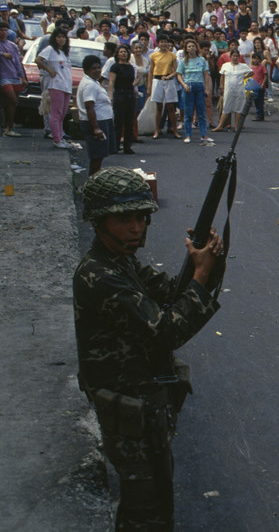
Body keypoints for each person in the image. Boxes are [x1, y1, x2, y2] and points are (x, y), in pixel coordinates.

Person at [74, 166, 223, 530]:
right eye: (124, 219)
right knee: (146, 512)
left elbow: (171, 291)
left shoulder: (120, 262)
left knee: (157, 498)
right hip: (130, 411)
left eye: (141, 217)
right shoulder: (99, 275)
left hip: (142, 404)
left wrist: (207, 262)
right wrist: (201, 275)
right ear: (99, 221)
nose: (136, 228)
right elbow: (165, 331)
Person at [36, 28, 75, 149]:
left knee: (62, 114)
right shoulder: (50, 49)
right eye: (59, 37)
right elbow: (38, 60)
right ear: (54, 38)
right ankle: (57, 140)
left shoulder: (63, 52)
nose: (61, 39)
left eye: (63, 37)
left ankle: (60, 136)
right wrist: (49, 70)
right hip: (56, 85)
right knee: (56, 113)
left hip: (66, 86)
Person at [76, 55, 115, 174]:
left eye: (99, 67)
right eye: (94, 68)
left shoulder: (94, 82)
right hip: (96, 123)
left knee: (100, 155)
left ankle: (94, 179)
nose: (97, 70)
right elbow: (89, 107)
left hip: (103, 121)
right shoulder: (89, 85)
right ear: (87, 70)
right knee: (97, 156)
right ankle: (92, 181)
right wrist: (96, 128)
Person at [177, 39, 212, 145]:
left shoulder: (202, 60)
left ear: (196, 48)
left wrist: (206, 88)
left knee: (201, 112)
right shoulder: (183, 61)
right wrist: (184, 85)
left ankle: (204, 134)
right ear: (186, 49)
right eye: (189, 47)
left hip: (199, 85)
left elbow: (205, 74)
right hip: (188, 86)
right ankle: (188, 135)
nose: (191, 48)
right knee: (188, 112)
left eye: (193, 46)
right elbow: (179, 74)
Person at [107, 44, 138, 154]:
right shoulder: (115, 67)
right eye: (121, 52)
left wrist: (135, 91)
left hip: (130, 94)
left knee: (129, 121)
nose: (123, 54)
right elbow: (111, 82)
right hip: (120, 94)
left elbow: (132, 82)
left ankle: (127, 146)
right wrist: (110, 96)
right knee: (118, 121)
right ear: (118, 54)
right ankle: (115, 145)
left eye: (125, 52)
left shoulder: (130, 67)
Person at [148, 34, 179, 139]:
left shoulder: (172, 55)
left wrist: (169, 76)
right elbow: (151, 71)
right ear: (158, 43)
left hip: (169, 80)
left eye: (165, 42)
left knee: (171, 106)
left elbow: (176, 70)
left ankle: (174, 130)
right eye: (161, 42)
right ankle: (157, 130)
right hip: (157, 80)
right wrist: (149, 86)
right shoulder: (154, 56)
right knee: (159, 106)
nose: (164, 44)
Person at [0, 21, 28, 137]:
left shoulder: (12, 45)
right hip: (3, 76)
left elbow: (17, 62)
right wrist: (2, 54)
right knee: (11, 99)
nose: (3, 32)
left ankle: (9, 127)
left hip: (14, 75)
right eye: (1, 30)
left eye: (5, 30)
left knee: (12, 102)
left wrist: (22, 77)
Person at [214, 49, 251, 132]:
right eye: (233, 56)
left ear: (239, 57)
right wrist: (221, 86)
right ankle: (220, 125)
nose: (235, 58)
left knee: (238, 108)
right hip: (228, 90)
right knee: (226, 107)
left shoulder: (243, 66)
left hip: (239, 90)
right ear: (230, 57)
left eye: (237, 56)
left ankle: (237, 126)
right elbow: (222, 76)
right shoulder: (225, 65)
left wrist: (244, 77)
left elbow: (251, 72)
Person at [247, 51, 268, 121]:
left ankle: (260, 115)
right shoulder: (251, 67)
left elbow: (265, 76)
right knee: (256, 100)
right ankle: (259, 114)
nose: (256, 60)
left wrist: (263, 84)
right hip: (254, 86)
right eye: (254, 58)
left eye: (257, 59)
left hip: (260, 86)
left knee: (260, 101)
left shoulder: (262, 67)